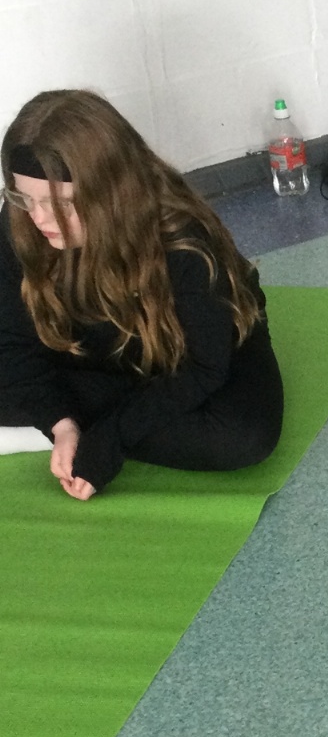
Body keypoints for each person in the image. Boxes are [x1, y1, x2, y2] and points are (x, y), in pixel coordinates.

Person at [0, 90, 283, 500]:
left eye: (59, 203)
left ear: (108, 193)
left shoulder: (183, 240)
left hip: (185, 358)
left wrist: (111, 438)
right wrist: (60, 424)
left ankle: (86, 410)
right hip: (92, 349)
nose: (39, 217)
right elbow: (12, 340)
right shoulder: (23, 220)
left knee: (243, 438)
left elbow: (203, 368)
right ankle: (71, 416)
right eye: (24, 197)